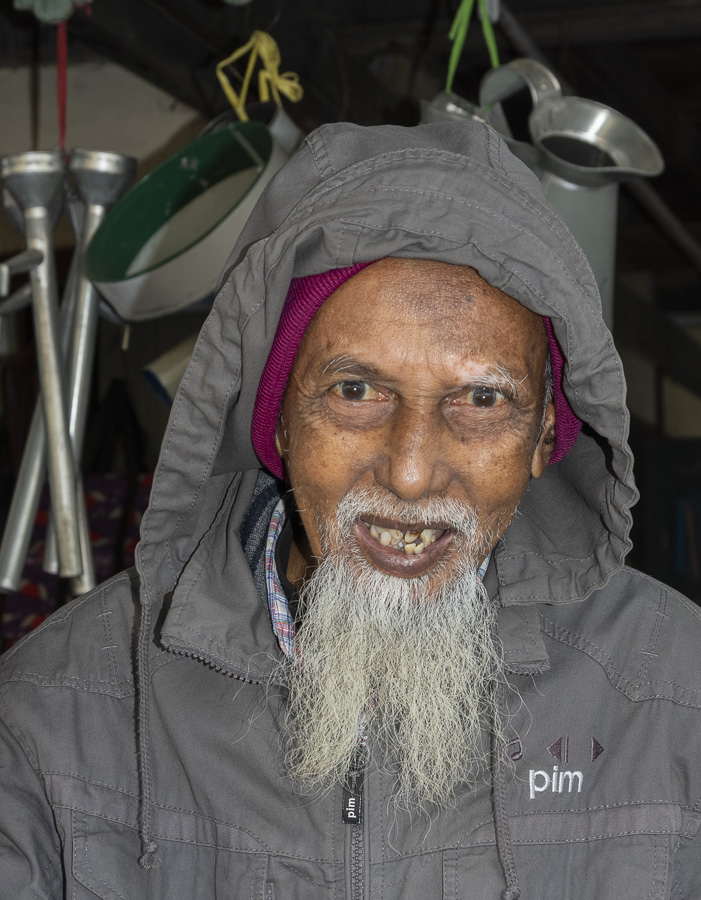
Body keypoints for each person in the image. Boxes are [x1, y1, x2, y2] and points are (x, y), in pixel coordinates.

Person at [1, 120, 700, 900]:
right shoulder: (59, 712)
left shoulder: (674, 695)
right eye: (355, 391)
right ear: (273, 421)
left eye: (480, 398)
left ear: (544, 435)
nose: (407, 473)